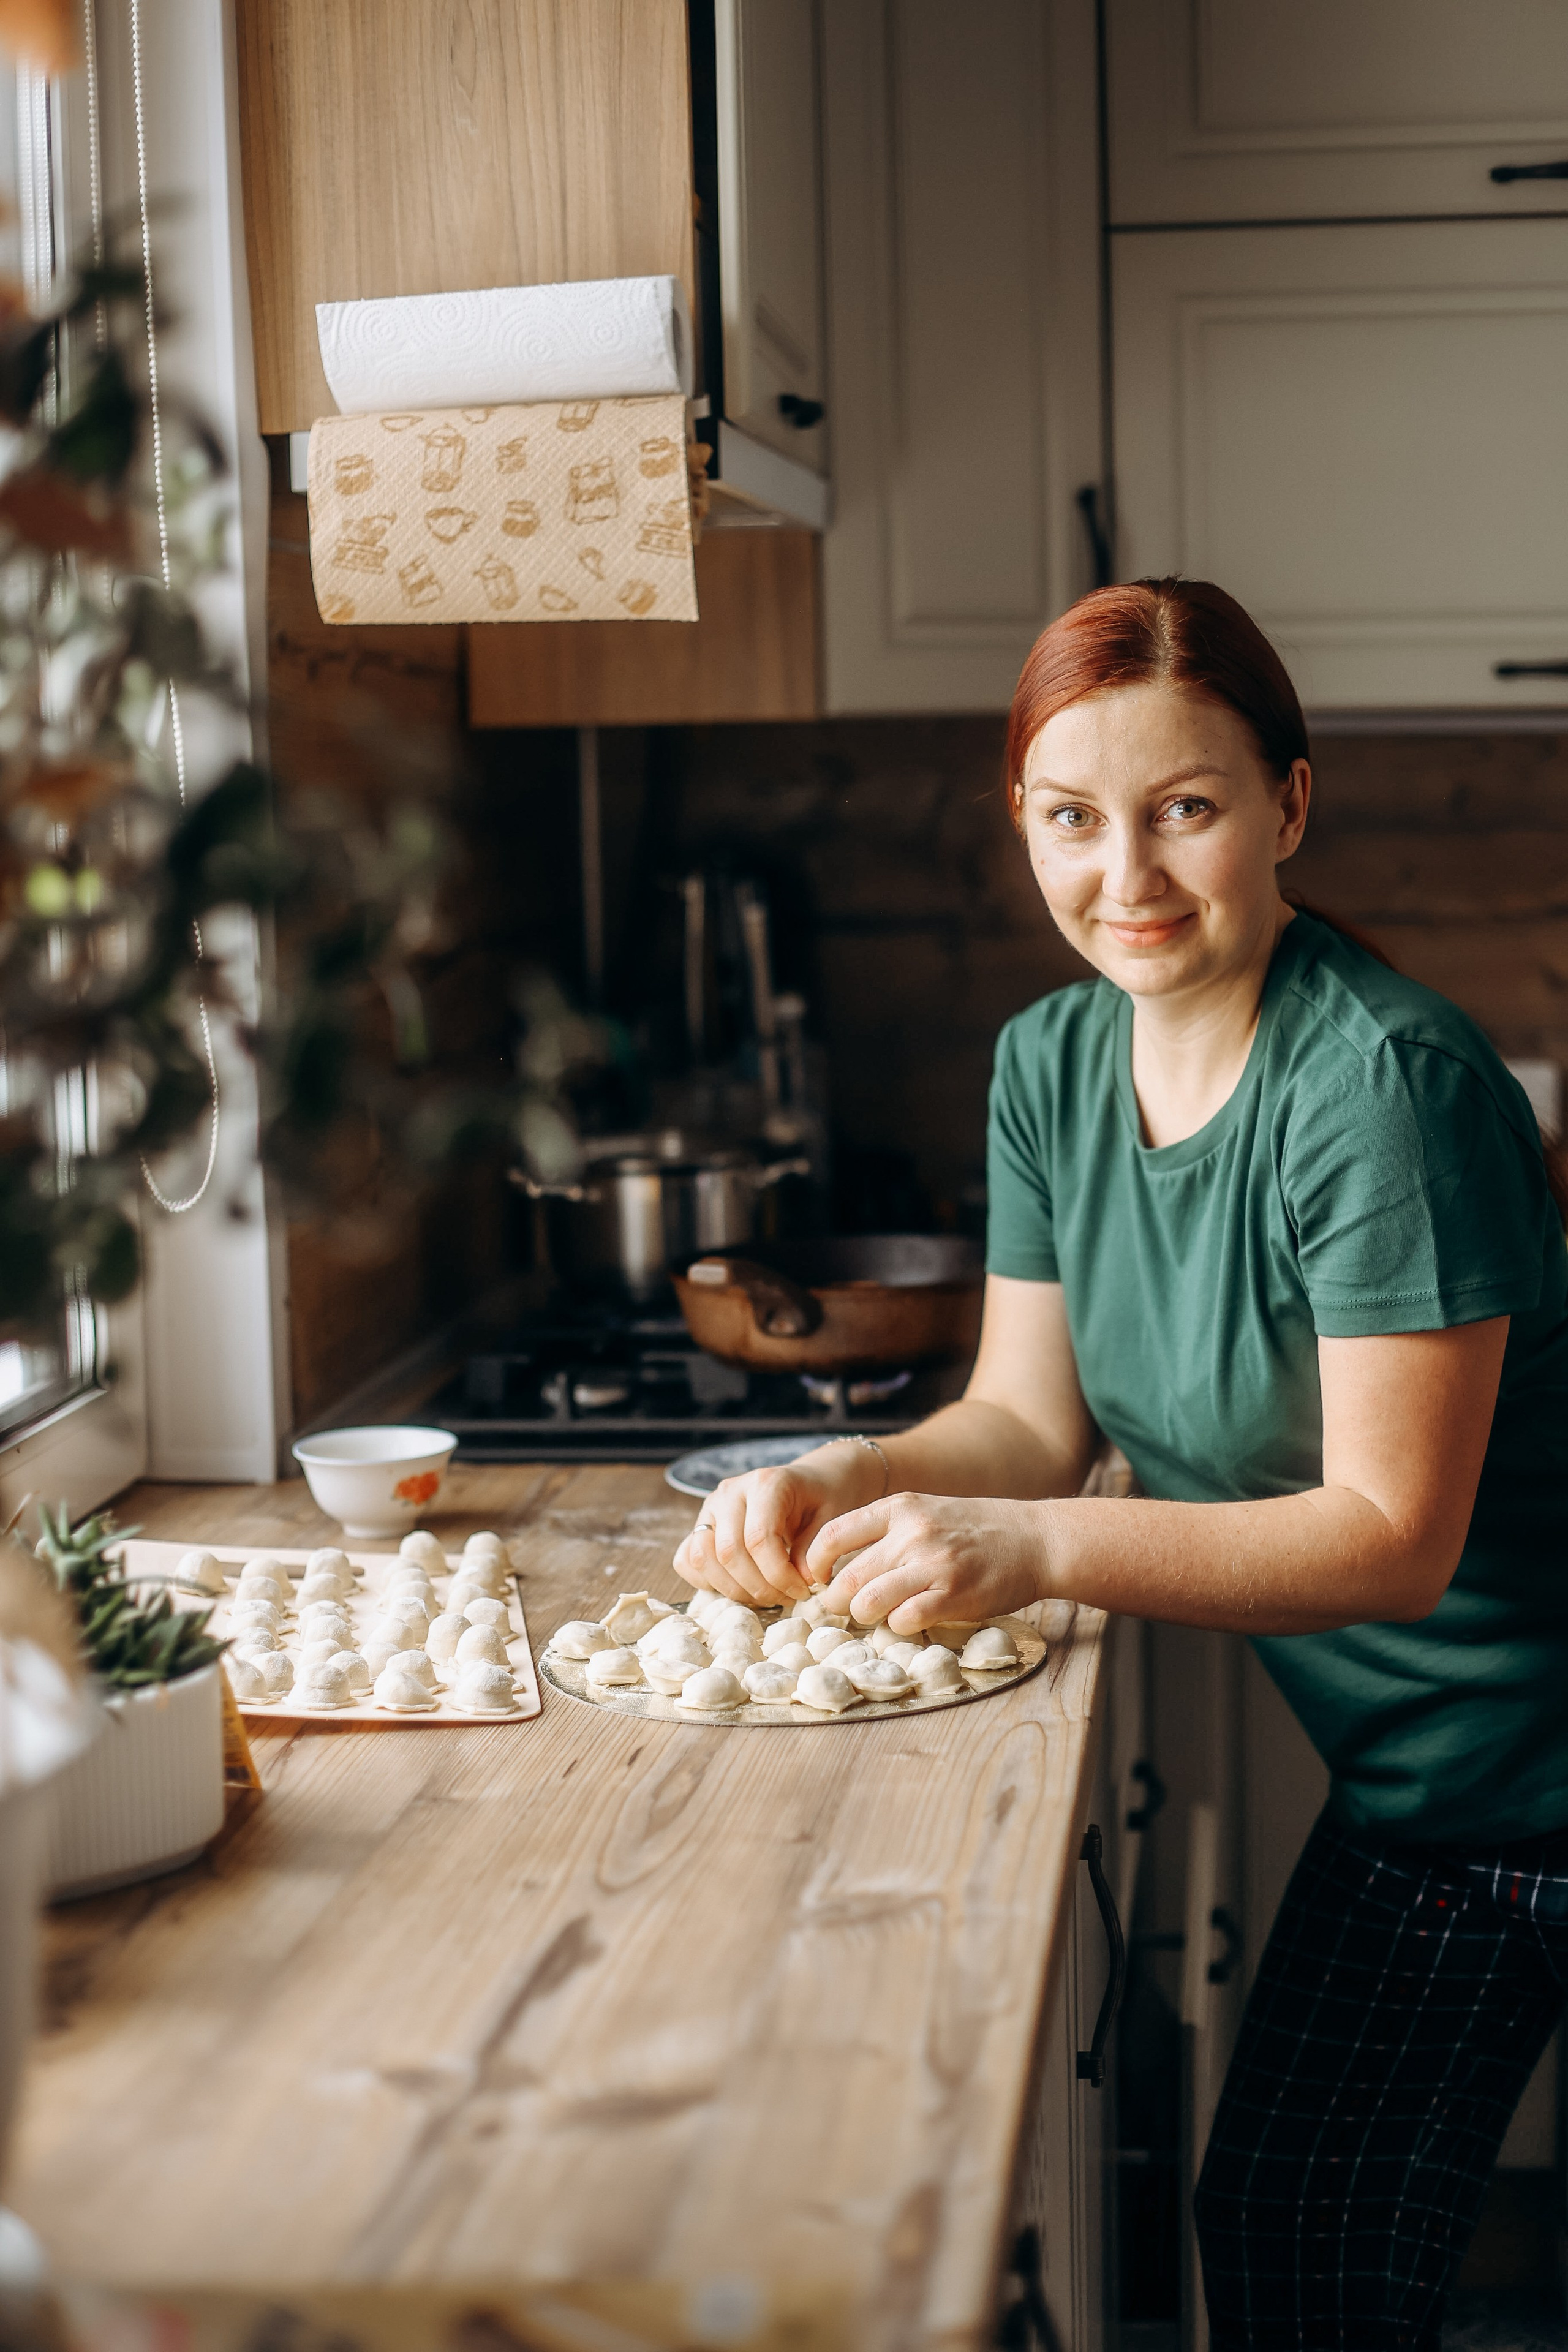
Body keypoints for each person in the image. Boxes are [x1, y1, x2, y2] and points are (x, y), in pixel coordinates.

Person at [672, 578, 1568, 2351]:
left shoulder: (1383, 1089)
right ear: (1024, 825)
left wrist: (1036, 1551)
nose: (1130, 878)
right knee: (1295, 2230)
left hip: (1524, 1773)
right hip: (1421, 1773)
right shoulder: (1051, 1066)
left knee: (1305, 2243)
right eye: (1075, 820)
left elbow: (1393, 1539)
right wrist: (831, 1483)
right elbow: (1026, 1422)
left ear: (1288, 808)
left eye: (1188, 810)